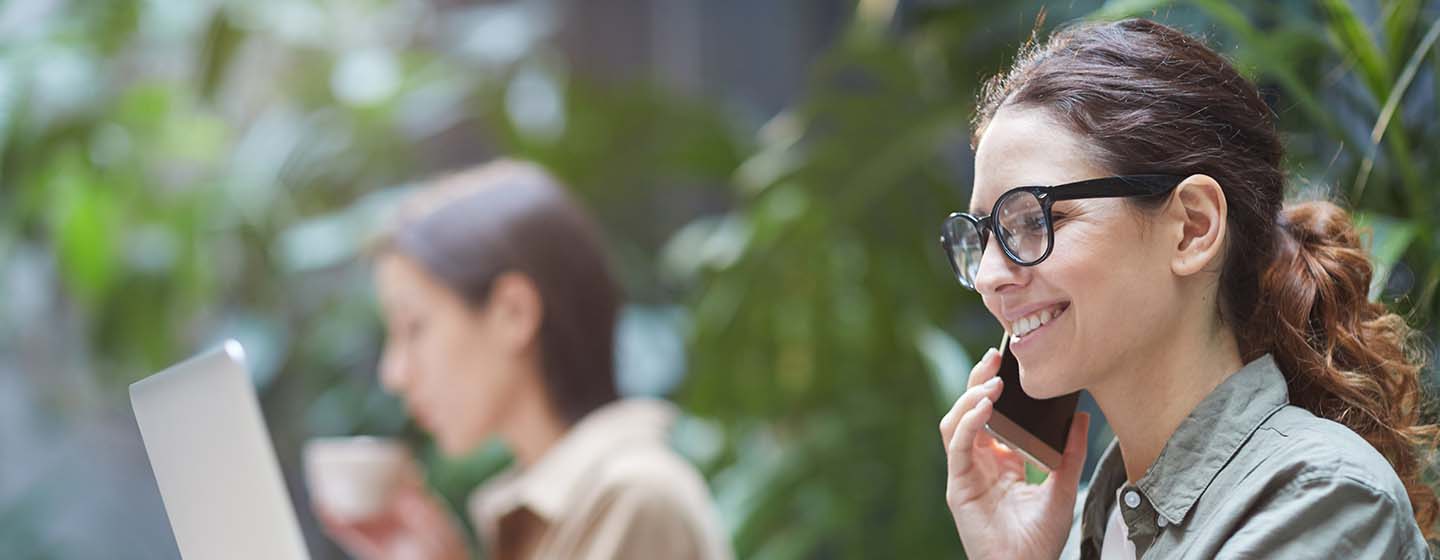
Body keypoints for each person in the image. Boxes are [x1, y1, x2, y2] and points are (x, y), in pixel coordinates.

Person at [937, 18, 1435, 559]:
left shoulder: (1318, 497)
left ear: (1193, 227)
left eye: (1032, 220)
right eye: (984, 234)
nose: (988, 277)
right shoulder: (1077, 531)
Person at [315, 160, 732, 560]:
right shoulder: (560, 514)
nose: (395, 374)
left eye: (414, 328)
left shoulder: (632, 499)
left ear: (514, 312)